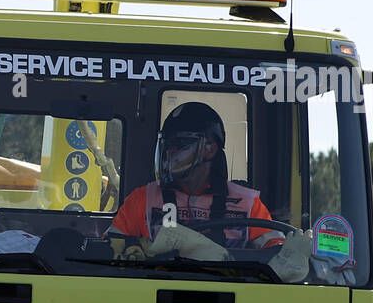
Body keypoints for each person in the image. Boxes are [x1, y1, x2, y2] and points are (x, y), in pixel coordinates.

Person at [110, 101, 285, 251]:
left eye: (180, 144)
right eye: (168, 145)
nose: (171, 152)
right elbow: (110, 249)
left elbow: (278, 254)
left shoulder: (248, 204)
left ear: (210, 149)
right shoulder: (142, 200)